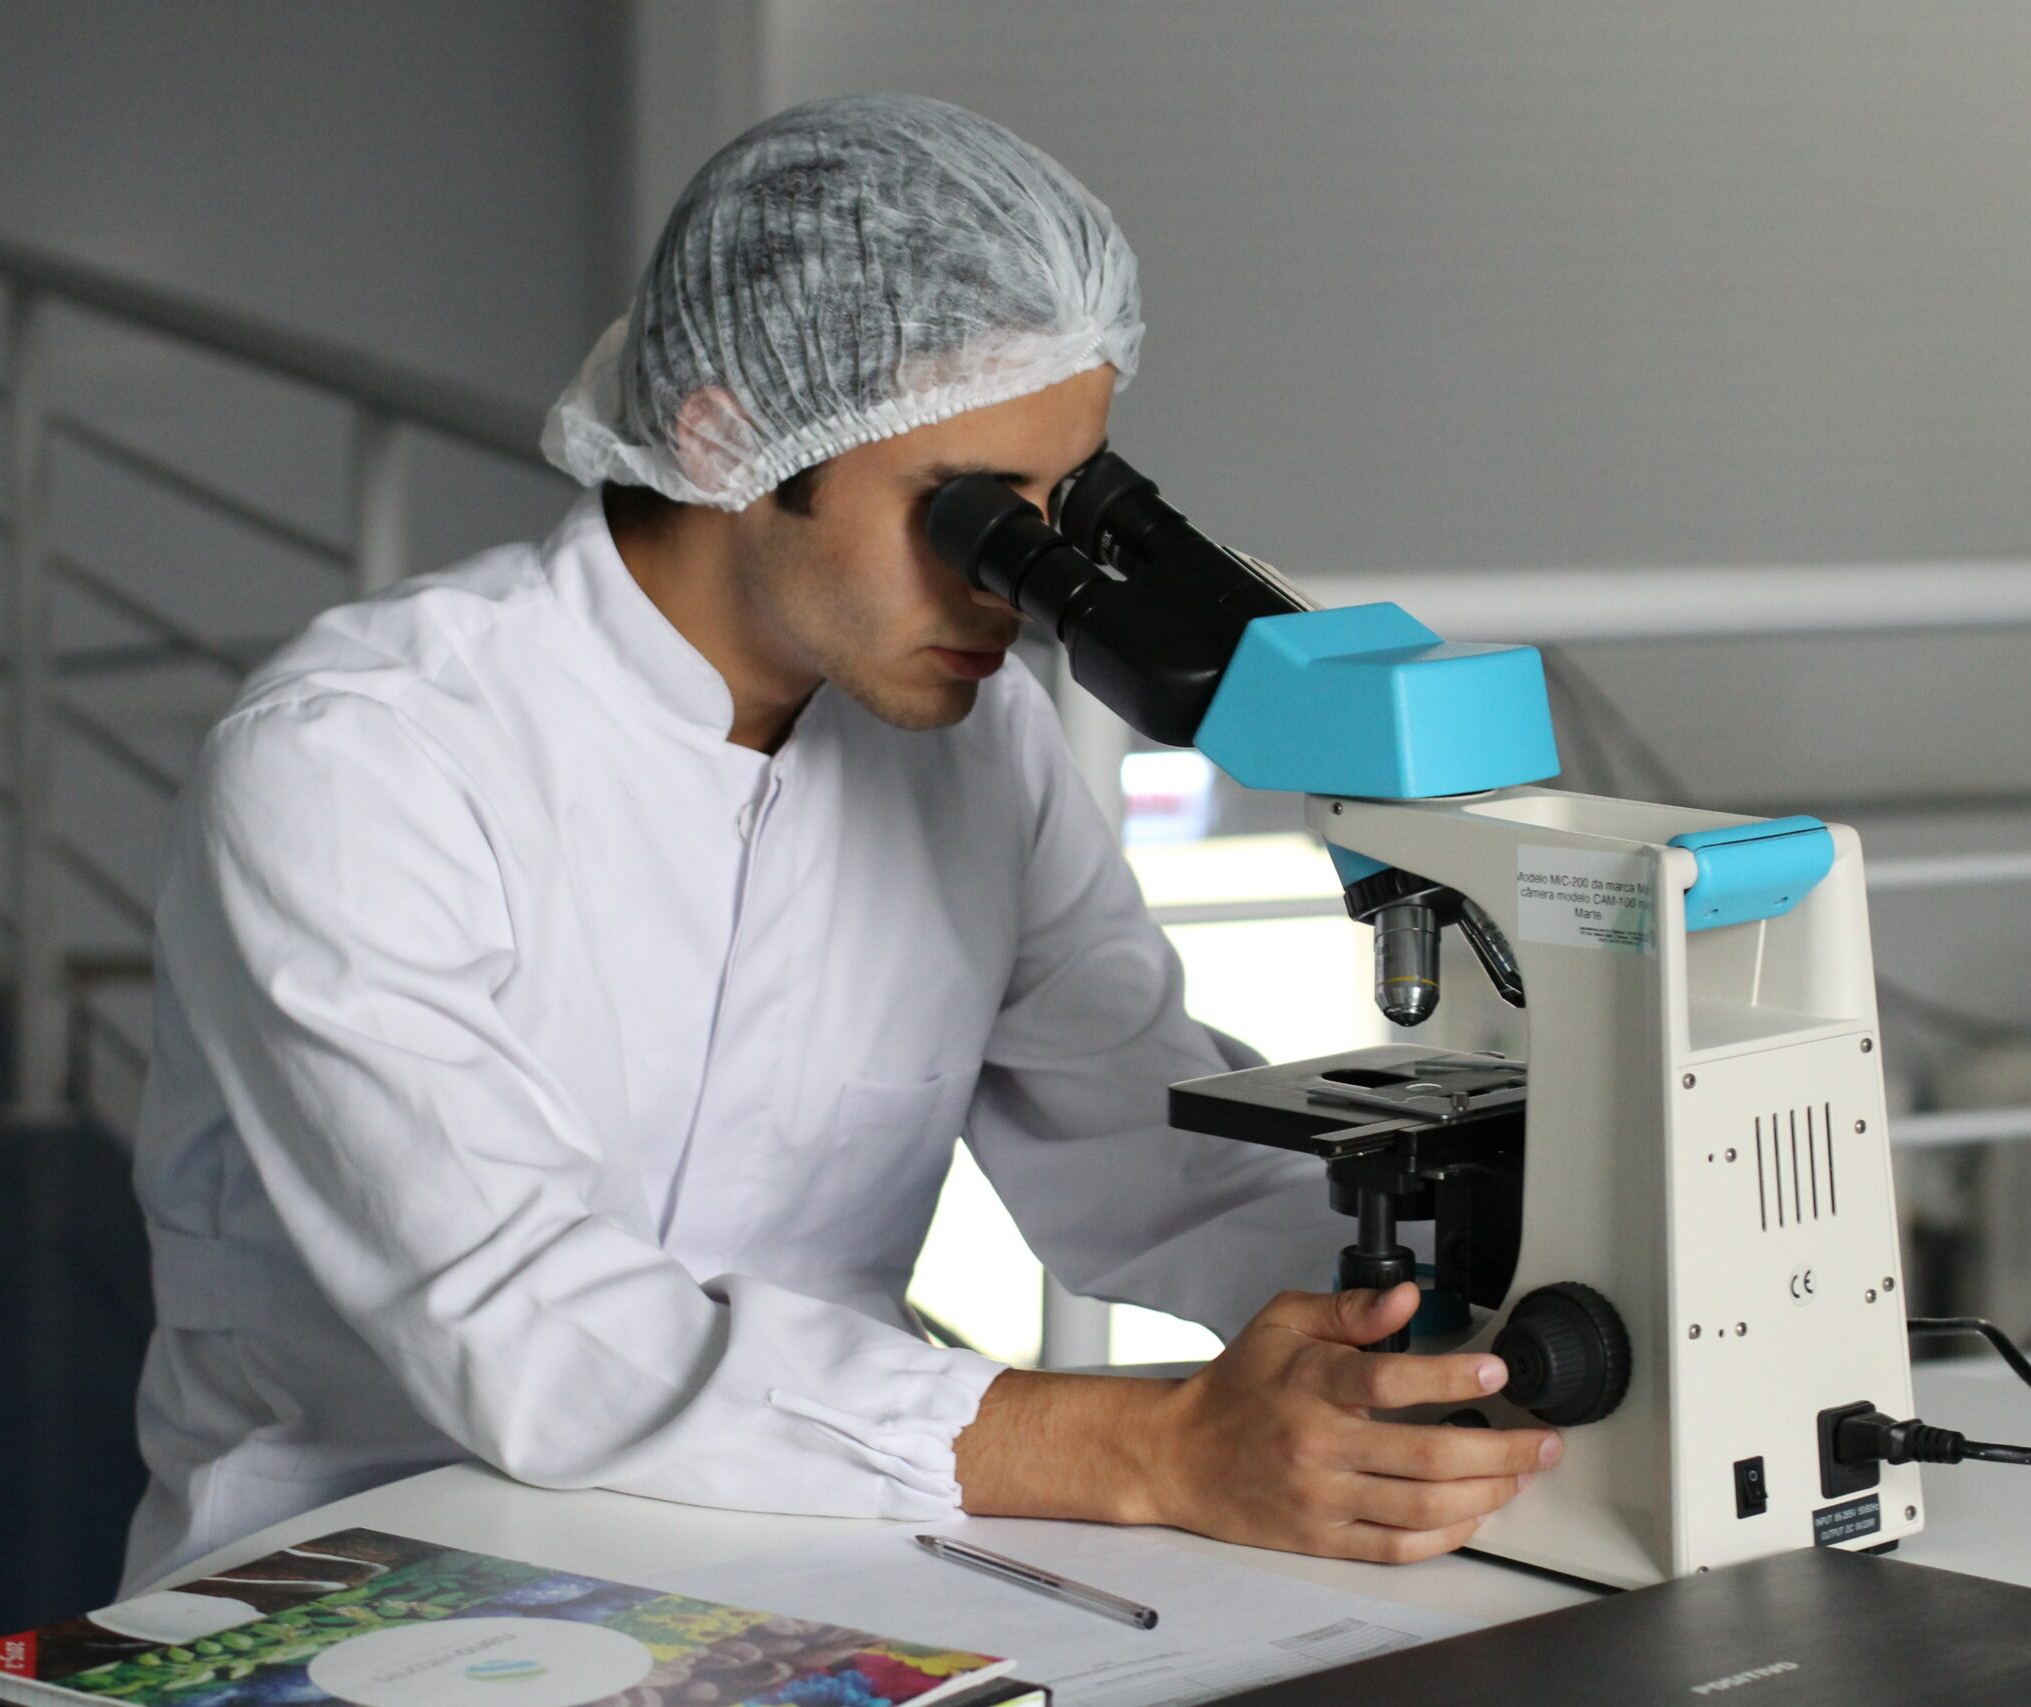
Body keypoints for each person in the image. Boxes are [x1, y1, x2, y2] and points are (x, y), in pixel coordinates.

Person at [119, 94, 1557, 1595]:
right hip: (370, 1566)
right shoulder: (368, 761)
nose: (1023, 588)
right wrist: (1157, 1447)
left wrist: (1448, 1326)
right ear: (729, 435)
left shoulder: (972, 747)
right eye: (976, 519)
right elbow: (530, 1327)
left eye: (1069, 505)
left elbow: (1152, 1154)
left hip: (819, 1550)